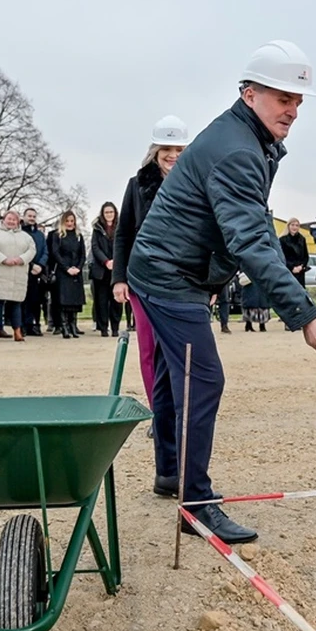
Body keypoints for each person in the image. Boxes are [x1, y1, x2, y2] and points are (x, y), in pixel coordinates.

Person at [127, 39, 316, 543]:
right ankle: (195, 503)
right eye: (283, 98)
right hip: (169, 277)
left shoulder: (247, 139)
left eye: (298, 100)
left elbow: (249, 227)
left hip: (167, 269)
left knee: (175, 376)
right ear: (249, 94)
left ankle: (169, 473)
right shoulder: (239, 149)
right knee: (203, 379)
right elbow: (250, 241)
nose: (293, 110)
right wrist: (305, 315)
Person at [113, 115, 191, 411]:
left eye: (179, 149)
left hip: (183, 280)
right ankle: (159, 411)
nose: (173, 155)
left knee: (180, 349)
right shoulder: (137, 185)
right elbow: (123, 233)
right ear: (155, 152)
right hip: (142, 278)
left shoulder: (197, 185)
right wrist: (119, 278)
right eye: (166, 149)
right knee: (149, 347)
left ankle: (180, 409)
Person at [0, 209, 35, 342]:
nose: (11, 221)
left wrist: (21, 259)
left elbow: (32, 250)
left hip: (17, 274)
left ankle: (17, 331)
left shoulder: (26, 237)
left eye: (14, 219)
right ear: (3, 220)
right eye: (9, 219)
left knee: (16, 303)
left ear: (18, 222)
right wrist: (4, 259)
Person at [47, 210, 86, 339]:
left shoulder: (79, 236)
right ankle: (64, 326)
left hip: (76, 272)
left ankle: (73, 325)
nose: (69, 223)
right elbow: (56, 253)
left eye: (72, 221)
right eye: (67, 221)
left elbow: (83, 254)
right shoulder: (57, 236)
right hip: (63, 272)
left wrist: (78, 268)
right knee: (63, 301)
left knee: (75, 301)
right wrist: (66, 268)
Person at [90, 202, 121, 337]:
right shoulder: (97, 228)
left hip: (116, 269)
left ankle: (115, 327)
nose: (109, 214)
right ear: (103, 214)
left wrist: (116, 261)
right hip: (101, 270)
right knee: (101, 300)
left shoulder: (120, 227)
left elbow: (122, 244)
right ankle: (103, 327)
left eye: (111, 212)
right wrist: (106, 261)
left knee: (116, 300)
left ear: (115, 213)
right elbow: (95, 247)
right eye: (106, 212)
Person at [21, 207, 49, 336]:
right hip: (24, 270)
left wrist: (40, 265)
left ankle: (34, 325)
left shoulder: (40, 235)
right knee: (24, 300)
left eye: (34, 216)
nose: (32, 218)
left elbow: (45, 251)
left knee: (36, 300)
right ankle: (23, 326)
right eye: (29, 216)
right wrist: (31, 265)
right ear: (24, 217)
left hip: (38, 272)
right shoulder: (20, 233)